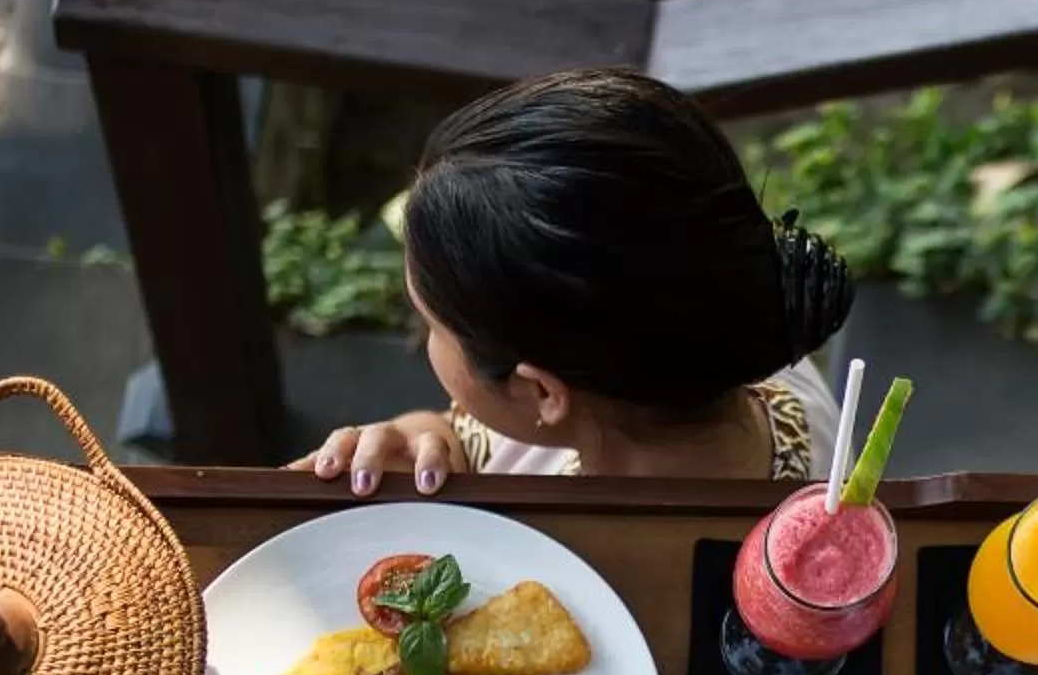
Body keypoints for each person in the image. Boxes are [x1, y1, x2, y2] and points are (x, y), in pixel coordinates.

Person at [301, 69, 852, 492]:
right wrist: (430, 437)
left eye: (432, 327)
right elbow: (482, 432)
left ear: (542, 391)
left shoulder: (611, 585)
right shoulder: (738, 337)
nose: (425, 345)